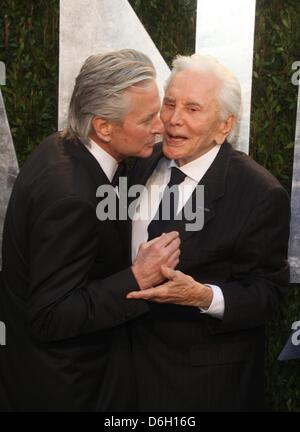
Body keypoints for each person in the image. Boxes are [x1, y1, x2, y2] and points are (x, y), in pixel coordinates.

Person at [0, 49, 180, 412]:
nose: (161, 127)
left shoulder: (66, 146)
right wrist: (136, 278)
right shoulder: (70, 197)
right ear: (103, 126)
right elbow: (49, 315)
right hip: (70, 389)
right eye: (147, 120)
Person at [127, 54, 290, 411]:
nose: (173, 119)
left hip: (201, 386)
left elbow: (267, 292)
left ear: (224, 126)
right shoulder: (142, 160)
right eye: (169, 103)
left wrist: (203, 297)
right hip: (125, 371)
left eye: (193, 109)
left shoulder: (259, 193)